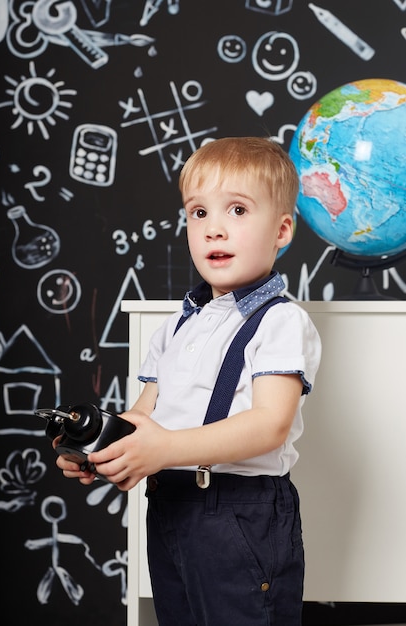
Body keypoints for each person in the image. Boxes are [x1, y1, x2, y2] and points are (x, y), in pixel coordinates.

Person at [55, 136, 322, 626]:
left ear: (282, 230)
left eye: (237, 210)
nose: (214, 229)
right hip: (171, 508)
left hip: (241, 515)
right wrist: (101, 448)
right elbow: (144, 417)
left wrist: (163, 450)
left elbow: (268, 426)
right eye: (198, 213)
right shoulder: (177, 326)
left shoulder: (282, 322)